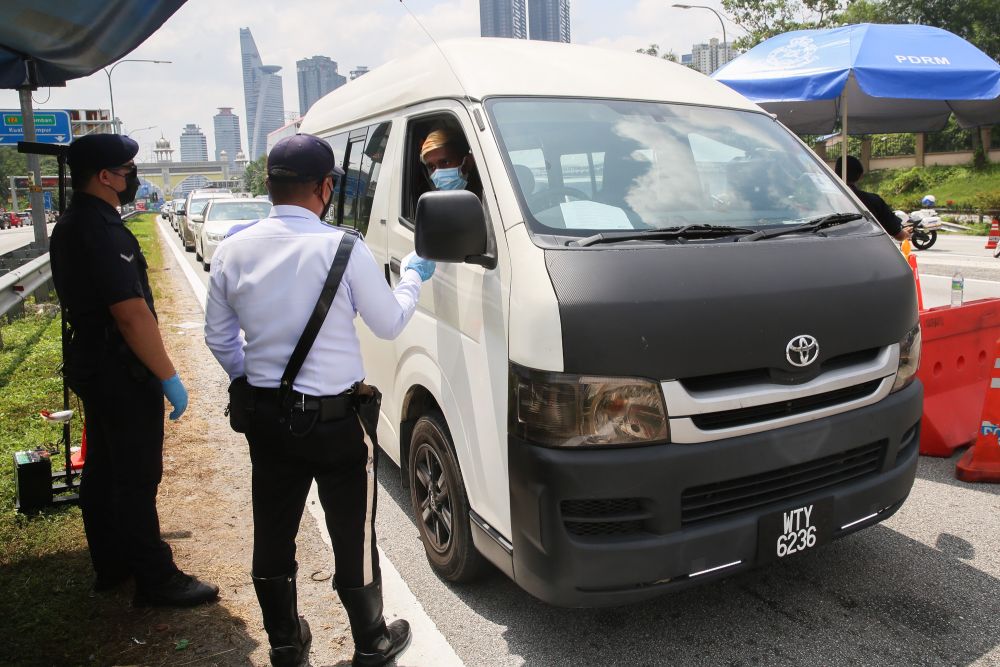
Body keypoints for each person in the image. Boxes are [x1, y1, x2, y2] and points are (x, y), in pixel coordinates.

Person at [204, 133, 435, 667]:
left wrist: (257, 382)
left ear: (269, 186)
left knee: (274, 527)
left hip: (267, 421)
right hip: (336, 422)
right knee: (353, 530)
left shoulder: (233, 249)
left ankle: (286, 643)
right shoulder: (344, 247)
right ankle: (371, 641)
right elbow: (389, 321)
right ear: (325, 187)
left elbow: (219, 338)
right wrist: (414, 280)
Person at [50, 134, 219, 607]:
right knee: (136, 477)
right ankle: (155, 578)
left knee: (104, 469)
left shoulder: (72, 223)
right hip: (119, 369)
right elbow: (131, 313)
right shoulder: (100, 229)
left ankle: (113, 563)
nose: (132, 180)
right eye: (126, 171)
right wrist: (167, 374)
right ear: (105, 176)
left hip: (92, 362)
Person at [835, 155, 910, 241]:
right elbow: (898, 235)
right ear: (860, 176)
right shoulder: (873, 201)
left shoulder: (825, 199)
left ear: (834, 173)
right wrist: (906, 234)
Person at [420, 127, 483, 199]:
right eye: (431, 167)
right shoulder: (434, 204)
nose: (438, 173)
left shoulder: (488, 193)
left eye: (445, 162)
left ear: (468, 162)